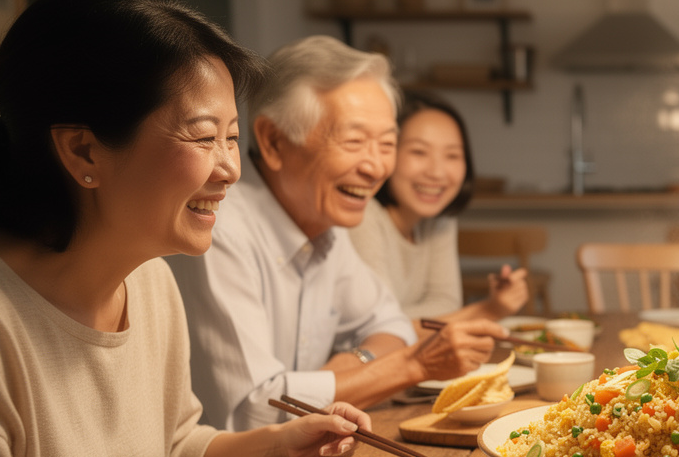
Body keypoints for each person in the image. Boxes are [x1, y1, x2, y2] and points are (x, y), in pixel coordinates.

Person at [0, 0, 371, 457]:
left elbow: (171, 451)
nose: (230, 170)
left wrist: (281, 443)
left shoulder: (150, 283)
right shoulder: (3, 321)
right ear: (83, 151)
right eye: (204, 137)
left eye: (231, 137)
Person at [166, 36, 507, 432]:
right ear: (274, 141)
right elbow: (253, 411)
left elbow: (392, 325)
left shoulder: (324, 219)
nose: (376, 167)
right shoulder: (218, 228)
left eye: (387, 143)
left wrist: (353, 364)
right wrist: (412, 365)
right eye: (354, 141)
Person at [348, 93, 529, 325]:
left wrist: (482, 310)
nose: (436, 172)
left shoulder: (438, 219)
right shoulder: (362, 216)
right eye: (419, 152)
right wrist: (488, 310)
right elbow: (382, 326)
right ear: (387, 153)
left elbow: (446, 303)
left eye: (452, 155)